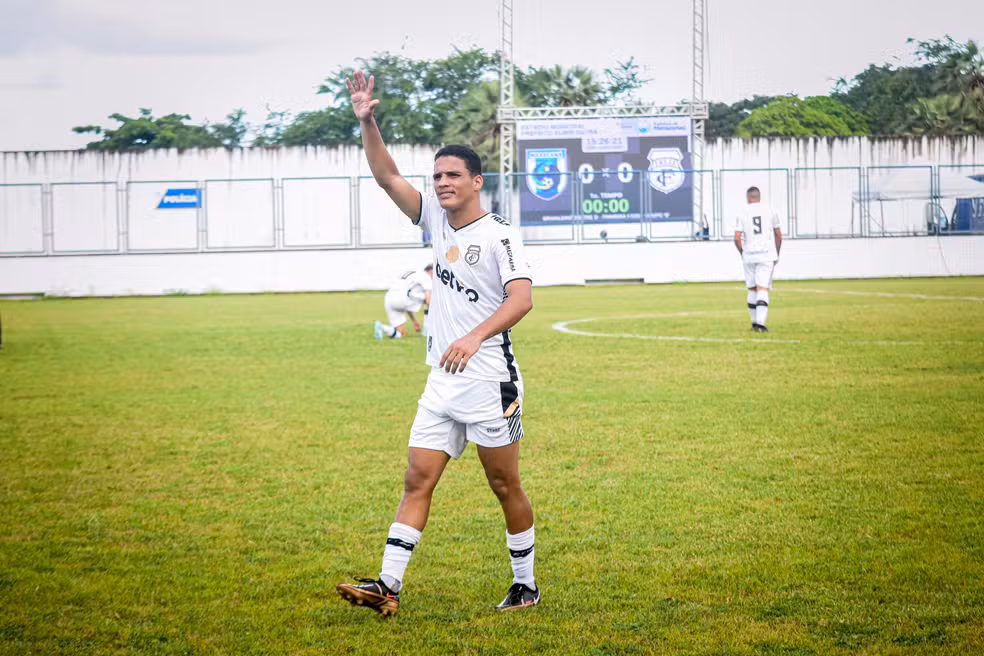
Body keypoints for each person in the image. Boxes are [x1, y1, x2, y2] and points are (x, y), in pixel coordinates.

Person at [335, 71, 538, 615]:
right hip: (441, 382)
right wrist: (367, 119)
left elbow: (521, 299)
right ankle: (387, 585)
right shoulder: (436, 222)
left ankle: (526, 583)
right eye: (438, 176)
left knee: (504, 484)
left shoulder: (500, 235)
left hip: (491, 380)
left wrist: (474, 336)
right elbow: (386, 176)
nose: (442, 183)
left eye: (452, 175)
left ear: (476, 181)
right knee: (416, 476)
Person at [734, 186, 782, 332]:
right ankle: (761, 324)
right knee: (763, 288)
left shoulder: (742, 213)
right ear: (758, 197)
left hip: (749, 255)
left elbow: (736, 238)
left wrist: (743, 252)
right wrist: (777, 253)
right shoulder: (771, 210)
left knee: (752, 289)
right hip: (767, 255)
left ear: (748, 198)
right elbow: (779, 235)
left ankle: (755, 323)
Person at [374, 264, 433, 339]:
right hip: (403, 298)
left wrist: (414, 320)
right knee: (432, 298)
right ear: (431, 271)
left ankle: (382, 327)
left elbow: (407, 301)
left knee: (400, 334)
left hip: (389, 297)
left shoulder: (414, 273)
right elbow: (428, 301)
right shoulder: (426, 277)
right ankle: (426, 331)